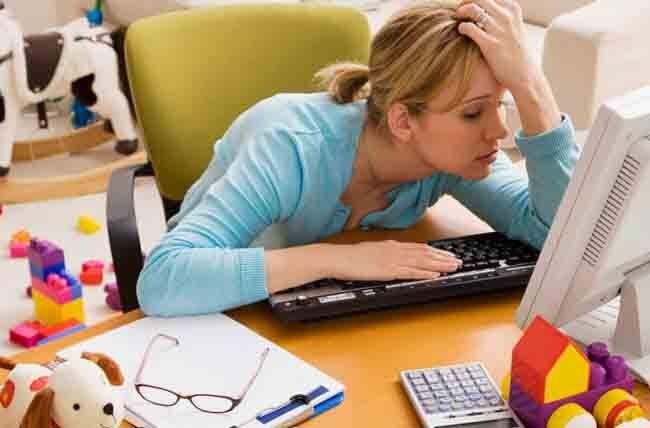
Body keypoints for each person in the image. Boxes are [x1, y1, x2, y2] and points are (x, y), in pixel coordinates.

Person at [137, 0, 581, 317]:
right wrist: (335, 259)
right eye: (472, 113)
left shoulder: (447, 159)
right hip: (223, 319)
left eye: (500, 104)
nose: (500, 132)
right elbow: (163, 279)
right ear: (403, 122)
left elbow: (560, 235)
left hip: (316, 319)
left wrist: (531, 85)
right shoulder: (289, 146)